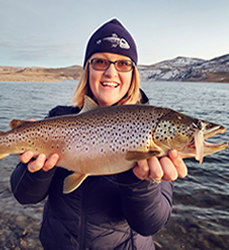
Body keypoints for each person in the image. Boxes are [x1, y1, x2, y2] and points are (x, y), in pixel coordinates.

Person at [11, 18, 187, 249]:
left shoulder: (152, 129)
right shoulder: (57, 119)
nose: (111, 72)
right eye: (100, 62)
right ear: (87, 70)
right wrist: (37, 171)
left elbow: (149, 225)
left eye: (123, 64)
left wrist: (142, 183)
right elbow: (25, 196)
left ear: (134, 74)